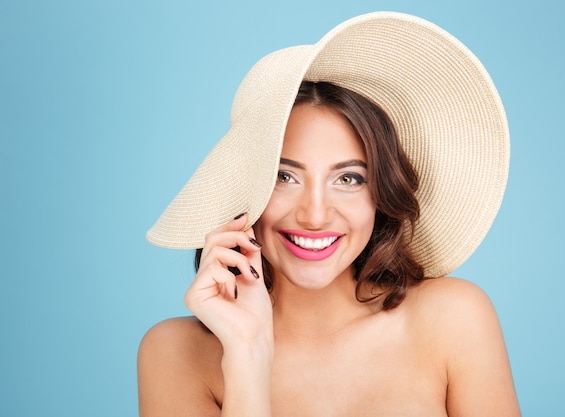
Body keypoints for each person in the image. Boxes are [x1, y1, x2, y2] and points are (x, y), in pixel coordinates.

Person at [138, 11, 521, 417]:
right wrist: (248, 355)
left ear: (380, 195)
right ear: (245, 188)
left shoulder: (453, 318)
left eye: (349, 179)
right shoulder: (175, 353)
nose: (315, 216)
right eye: (285, 176)